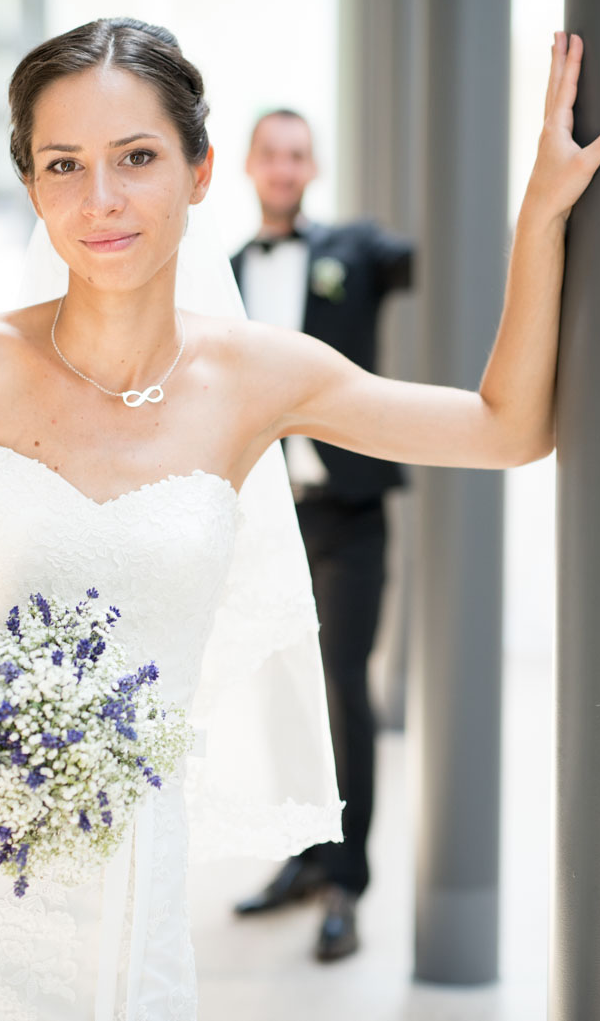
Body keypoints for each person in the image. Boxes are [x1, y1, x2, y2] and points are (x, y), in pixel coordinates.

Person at [0, 17, 600, 1020]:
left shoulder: (260, 375)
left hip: (129, 872)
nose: (100, 199)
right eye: (64, 164)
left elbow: (506, 427)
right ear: (31, 187)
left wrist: (540, 214)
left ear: (200, 171)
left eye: (137, 157)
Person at [228, 108, 412, 962]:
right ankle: (305, 854)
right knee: (284, 689)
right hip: (266, 518)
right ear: (248, 165)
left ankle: (346, 881)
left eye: (297, 154)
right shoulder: (226, 274)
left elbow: (433, 256)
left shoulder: (357, 252)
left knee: (342, 686)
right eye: (271, 153)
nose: (283, 166)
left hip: (348, 513)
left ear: (313, 167)